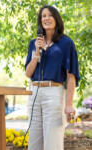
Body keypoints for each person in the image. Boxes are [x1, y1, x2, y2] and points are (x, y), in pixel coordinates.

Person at [25, 5, 80, 150]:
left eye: (50, 15)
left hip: (54, 93)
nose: (46, 18)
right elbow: (28, 73)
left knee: (52, 142)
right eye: (43, 16)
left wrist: (68, 104)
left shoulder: (66, 43)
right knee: (34, 143)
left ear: (56, 19)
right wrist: (37, 52)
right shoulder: (33, 43)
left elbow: (71, 76)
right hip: (34, 93)